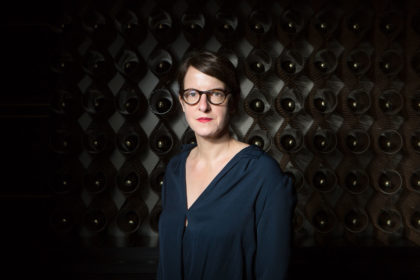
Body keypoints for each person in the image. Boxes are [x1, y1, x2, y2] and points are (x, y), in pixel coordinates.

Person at [157, 50, 295, 280]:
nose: (203, 106)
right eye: (192, 94)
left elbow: (273, 272)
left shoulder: (263, 175)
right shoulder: (174, 170)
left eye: (215, 94)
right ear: (182, 102)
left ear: (232, 102)